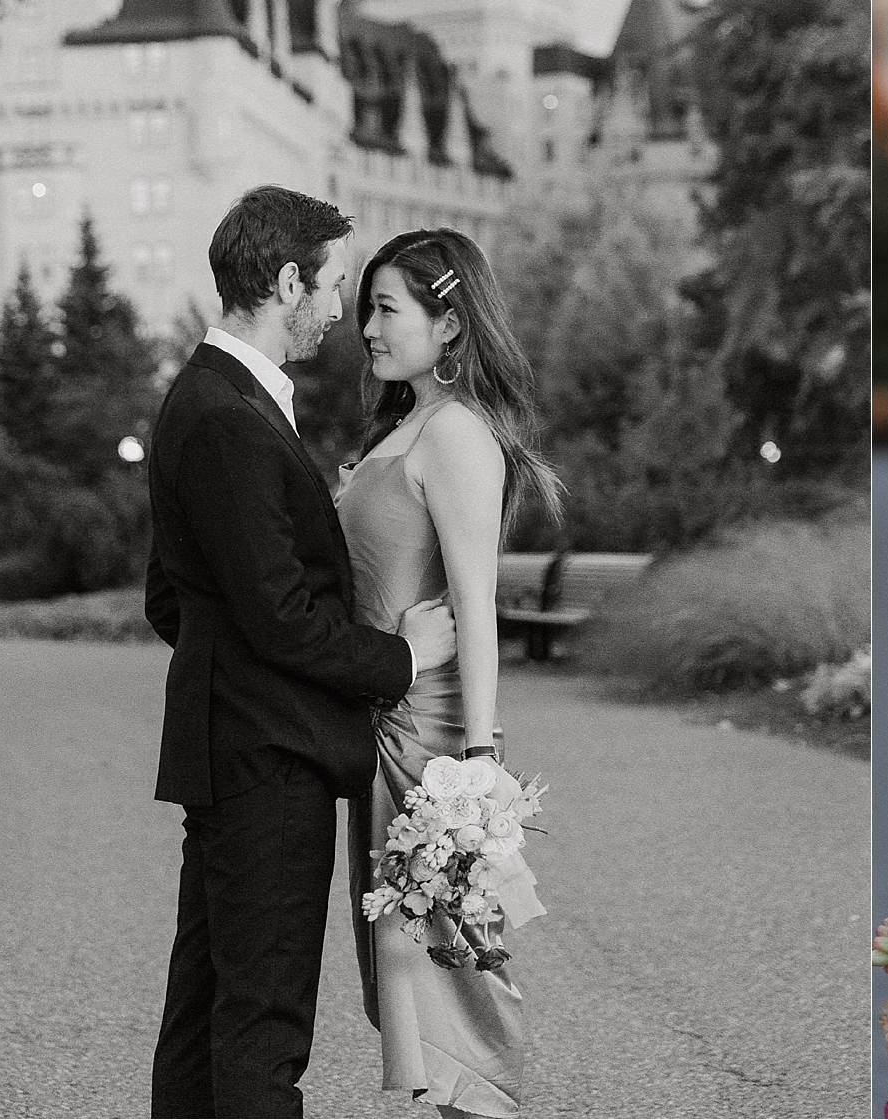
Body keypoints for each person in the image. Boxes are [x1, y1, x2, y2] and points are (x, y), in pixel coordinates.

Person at [148, 185, 461, 1118]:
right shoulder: (228, 417)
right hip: (265, 761)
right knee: (262, 1027)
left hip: (236, 749)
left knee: (207, 1014)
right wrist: (399, 659)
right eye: (330, 289)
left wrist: (235, 674)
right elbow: (277, 613)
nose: (343, 314)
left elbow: (178, 600)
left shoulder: (217, 401)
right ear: (287, 281)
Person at [338, 227, 564, 1117]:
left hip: (430, 749)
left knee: (456, 967)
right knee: (411, 965)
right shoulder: (408, 426)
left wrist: (478, 761)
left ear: (450, 324)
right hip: (383, 730)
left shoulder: (460, 434)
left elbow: (476, 605)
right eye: (367, 308)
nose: (368, 327)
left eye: (388, 308)